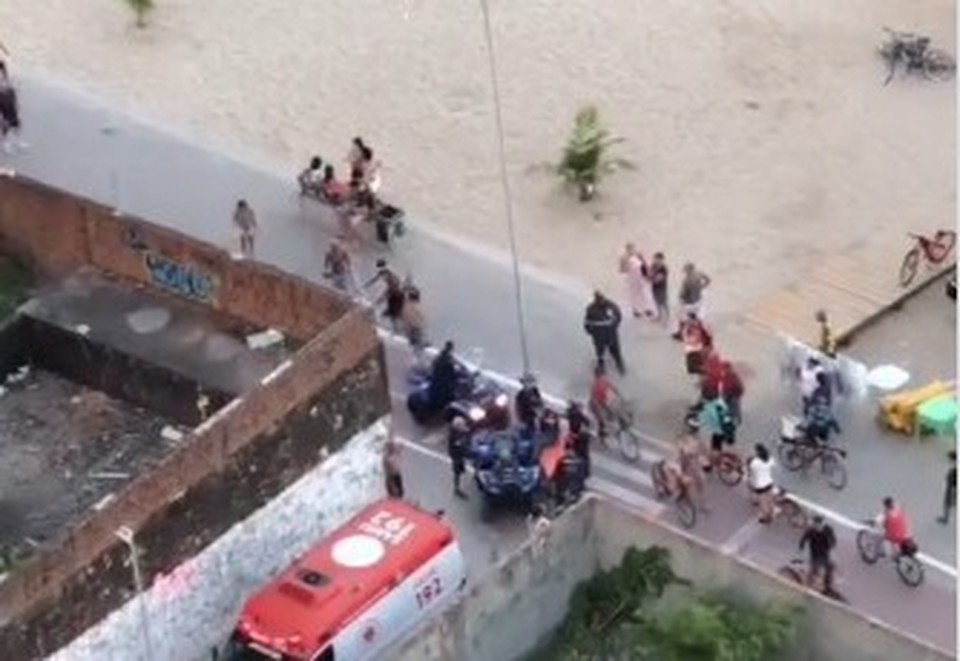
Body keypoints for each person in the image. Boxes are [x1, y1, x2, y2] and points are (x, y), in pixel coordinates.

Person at [583, 291, 625, 374]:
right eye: (599, 300)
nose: (601, 301)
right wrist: (591, 332)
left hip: (610, 333)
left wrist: (614, 327)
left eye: (602, 299)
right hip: (598, 335)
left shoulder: (611, 306)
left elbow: (618, 316)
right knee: (600, 353)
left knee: (615, 351)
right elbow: (587, 322)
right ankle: (601, 368)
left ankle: (620, 366)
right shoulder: (591, 309)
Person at [698, 388, 736, 469]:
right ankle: (722, 459)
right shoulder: (720, 402)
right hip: (728, 428)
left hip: (718, 431)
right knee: (718, 445)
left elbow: (707, 420)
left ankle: (713, 464)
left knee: (713, 447)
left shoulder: (708, 407)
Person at [672, 262, 711, 339]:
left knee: (681, 317)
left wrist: (680, 299)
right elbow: (708, 280)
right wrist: (703, 286)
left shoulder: (686, 280)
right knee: (696, 317)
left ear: (688, 270)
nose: (685, 272)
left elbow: (683, 294)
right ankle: (703, 332)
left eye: (685, 270)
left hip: (689, 303)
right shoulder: (699, 274)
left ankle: (680, 334)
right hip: (698, 301)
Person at [799, 515, 837, 590]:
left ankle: (828, 586)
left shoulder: (828, 529)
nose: (817, 526)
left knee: (830, 568)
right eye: (815, 524)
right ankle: (808, 586)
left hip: (825, 553)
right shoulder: (811, 531)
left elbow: (833, 539)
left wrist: (832, 546)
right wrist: (801, 548)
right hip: (815, 554)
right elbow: (803, 539)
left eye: (819, 524)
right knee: (814, 570)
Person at [619, 242, 654, 319]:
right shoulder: (624, 258)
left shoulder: (638, 254)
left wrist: (648, 273)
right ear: (626, 249)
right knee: (634, 294)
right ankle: (636, 310)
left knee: (645, 292)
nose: (631, 250)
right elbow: (622, 270)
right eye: (629, 248)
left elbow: (644, 264)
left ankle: (647, 308)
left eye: (632, 248)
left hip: (641, 276)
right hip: (632, 278)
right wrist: (626, 265)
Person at [804, 372, 840, 445]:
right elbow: (832, 419)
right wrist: (837, 430)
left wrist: (807, 406)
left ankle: (813, 443)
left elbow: (809, 410)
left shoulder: (817, 392)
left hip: (815, 428)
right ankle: (821, 444)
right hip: (824, 430)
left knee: (810, 432)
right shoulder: (827, 390)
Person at [589, 363, 620, 440]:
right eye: (601, 374)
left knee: (610, 415)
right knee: (601, 419)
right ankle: (602, 433)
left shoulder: (603, 381)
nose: (602, 376)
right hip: (595, 403)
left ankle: (611, 431)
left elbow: (614, 389)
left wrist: (619, 395)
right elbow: (593, 396)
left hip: (600, 402)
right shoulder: (596, 383)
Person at [0, 61, 25, 154]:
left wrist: (16, 102)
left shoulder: (4, 72)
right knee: (5, 123)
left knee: (17, 122)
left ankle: (18, 142)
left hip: (8, 94)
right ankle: (6, 145)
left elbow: (3, 66)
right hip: (2, 98)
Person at [747, 443, 776, 523]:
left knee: (763, 502)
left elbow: (752, 472)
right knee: (769, 499)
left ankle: (765, 517)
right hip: (769, 482)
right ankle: (771, 513)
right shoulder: (769, 458)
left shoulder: (755, 462)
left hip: (760, 485)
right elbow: (773, 465)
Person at [428, 341, 459, 412]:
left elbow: (453, 362)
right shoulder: (444, 355)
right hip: (441, 377)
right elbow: (448, 365)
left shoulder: (445, 355)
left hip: (440, 376)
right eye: (451, 347)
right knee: (444, 389)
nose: (451, 349)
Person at [682, 312, 712, 382]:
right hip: (695, 349)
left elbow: (686, 338)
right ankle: (703, 379)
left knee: (699, 366)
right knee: (699, 367)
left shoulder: (693, 327)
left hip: (695, 349)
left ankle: (704, 379)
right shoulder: (692, 327)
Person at [566, 401, 592, 477]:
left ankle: (581, 471)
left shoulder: (571, 414)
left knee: (579, 454)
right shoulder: (579, 414)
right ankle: (586, 472)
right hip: (583, 436)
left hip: (578, 437)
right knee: (584, 455)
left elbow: (572, 427)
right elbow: (587, 422)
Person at [447, 416, 470, 499]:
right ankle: (457, 488)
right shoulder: (453, 435)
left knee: (460, 467)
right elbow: (459, 444)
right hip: (456, 454)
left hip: (459, 453)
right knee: (457, 471)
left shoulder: (456, 431)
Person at [401, 287, 426, 361]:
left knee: (414, 343)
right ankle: (417, 358)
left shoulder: (407, 306)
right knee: (416, 344)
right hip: (414, 328)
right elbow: (421, 318)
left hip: (411, 328)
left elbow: (404, 317)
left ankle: (416, 355)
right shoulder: (414, 306)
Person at [650, 252, 670, 323]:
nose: (655, 260)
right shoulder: (653, 266)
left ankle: (667, 317)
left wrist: (651, 277)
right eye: (655, 259)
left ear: (661, 260)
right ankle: (660, 315)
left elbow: (656, 280)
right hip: (654, 288)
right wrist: (651, 276)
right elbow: (650, 274)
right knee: (657, 302)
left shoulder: (664, 269)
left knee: (664, 303)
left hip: (662, 289)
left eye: (657, 259)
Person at [938, 451, 956, 524]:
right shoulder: (953, 468)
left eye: (950, 459)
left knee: (947, 502)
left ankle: (945, 519)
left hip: (952, 487)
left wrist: (949, 477)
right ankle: (945, 518)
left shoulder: (954, 469)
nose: (949, 460)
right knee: (950, 502)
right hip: (952, 486)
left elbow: (952, 479)